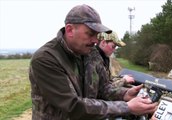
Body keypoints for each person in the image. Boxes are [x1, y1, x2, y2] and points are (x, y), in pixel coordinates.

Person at [29, 4, 158, 120]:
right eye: (90, 33)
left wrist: (125, 94)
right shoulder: (46, 59)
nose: (95, 40)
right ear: (69, 30)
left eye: (97, 35)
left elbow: (104, 88)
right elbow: (73, 107)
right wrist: (126, 107)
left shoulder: (91, 52)